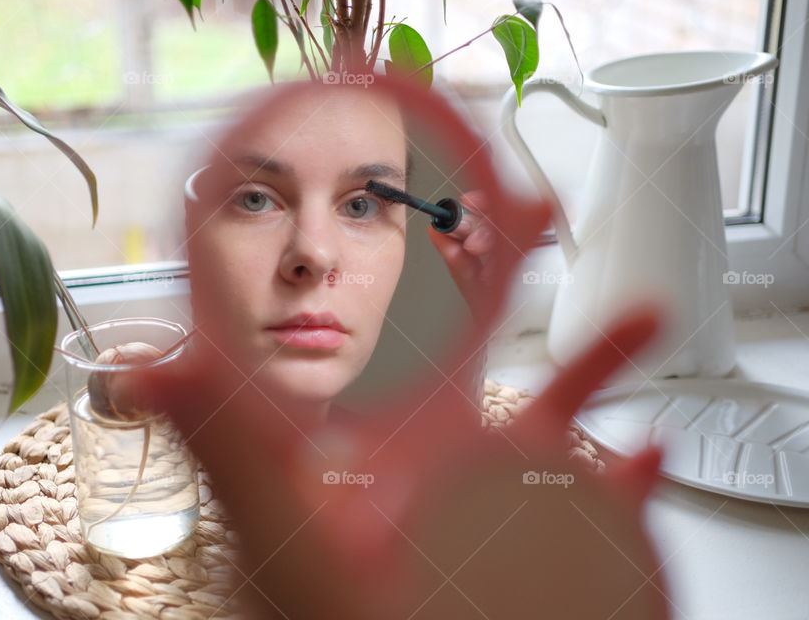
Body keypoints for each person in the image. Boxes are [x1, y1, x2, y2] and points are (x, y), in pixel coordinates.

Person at [114, 75, 672, 619]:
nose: (314, 253)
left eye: (361, 205)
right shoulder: (137, 492)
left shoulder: (468, 517)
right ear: (191, 235)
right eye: (256, 199)